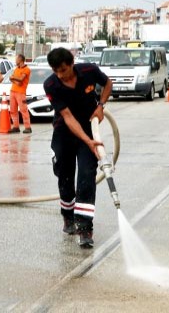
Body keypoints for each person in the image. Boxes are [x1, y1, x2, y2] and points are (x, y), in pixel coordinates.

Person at [44, 47, 113, 248]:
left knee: (86, 176)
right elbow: (67, 117)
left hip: (89, 130)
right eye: (56, 71)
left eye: (63, 70)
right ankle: (68, 216)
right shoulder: (51, 84)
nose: (60, 75)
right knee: (64, 177)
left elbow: (108, 83)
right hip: (64, 133)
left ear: (71, 64)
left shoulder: (89, 71)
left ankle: (85, 228)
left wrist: (101, 106)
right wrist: (87, 140)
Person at [8, 54, 32, 134]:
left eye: (16, 58)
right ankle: (16, 126)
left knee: (23, 110)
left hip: (21, 93)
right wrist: (14, 80)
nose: (15, 60)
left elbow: (21, 79)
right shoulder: (16, 69)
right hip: (13, 91)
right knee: (13, 110)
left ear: (21, 60)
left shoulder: (26, 69)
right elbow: (17, 82)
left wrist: (13, 78)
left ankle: (28, 127)